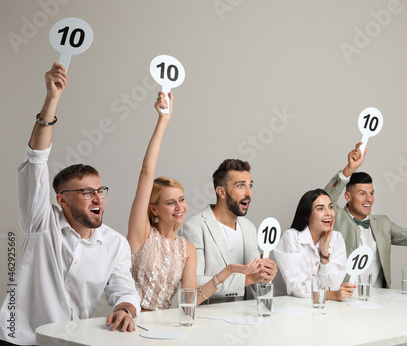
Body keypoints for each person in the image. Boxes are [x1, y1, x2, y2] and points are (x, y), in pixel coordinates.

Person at [0, 63, 141, 346]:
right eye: (87, 192)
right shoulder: (39, 222)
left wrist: (125, 309)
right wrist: (52, 99)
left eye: (100, 190)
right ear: (61, 200)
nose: (98, 197)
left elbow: (124, 289)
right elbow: (35, 161)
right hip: (21, 340)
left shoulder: (114, 244)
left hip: (72, 342)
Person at [128, 93, 261, 310]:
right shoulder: (141, 235)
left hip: (162, 327)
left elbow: (190, 299)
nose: (180, 207)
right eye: (170, 203)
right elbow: (146, 172)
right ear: (153, 208)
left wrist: (227, 272)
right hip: (131, 322)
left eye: (181, 199)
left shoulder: (185, 248)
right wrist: (163, 121)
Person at [324, 143, 407, 288]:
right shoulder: (335, 218)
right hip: (344, 297)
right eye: (362, 194)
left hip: (379, 299)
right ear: (348, 196)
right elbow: (326, 198)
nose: (369, 199)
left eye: (371, 194)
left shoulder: (383, 223)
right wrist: (349, 170)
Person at [179, 159, 278, 302]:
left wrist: (264, 277)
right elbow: (193, 284)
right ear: (221, 192)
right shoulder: (194, 227)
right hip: (209, 318)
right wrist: (246, 279)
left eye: (250, 186)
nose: (248, 193)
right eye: (240, 186)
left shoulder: (249, 227)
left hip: (246, 317)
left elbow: (255, 284)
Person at [274, 189, 355, 301]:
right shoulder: (291, 238)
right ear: (307, 215)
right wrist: (332, 295)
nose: (328, 213)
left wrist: (325, 254)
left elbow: (334, 285)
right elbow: (296, 288)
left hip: (326, 308)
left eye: (330, 207)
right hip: (291, 307)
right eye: (320, 208)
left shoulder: (336, 239)